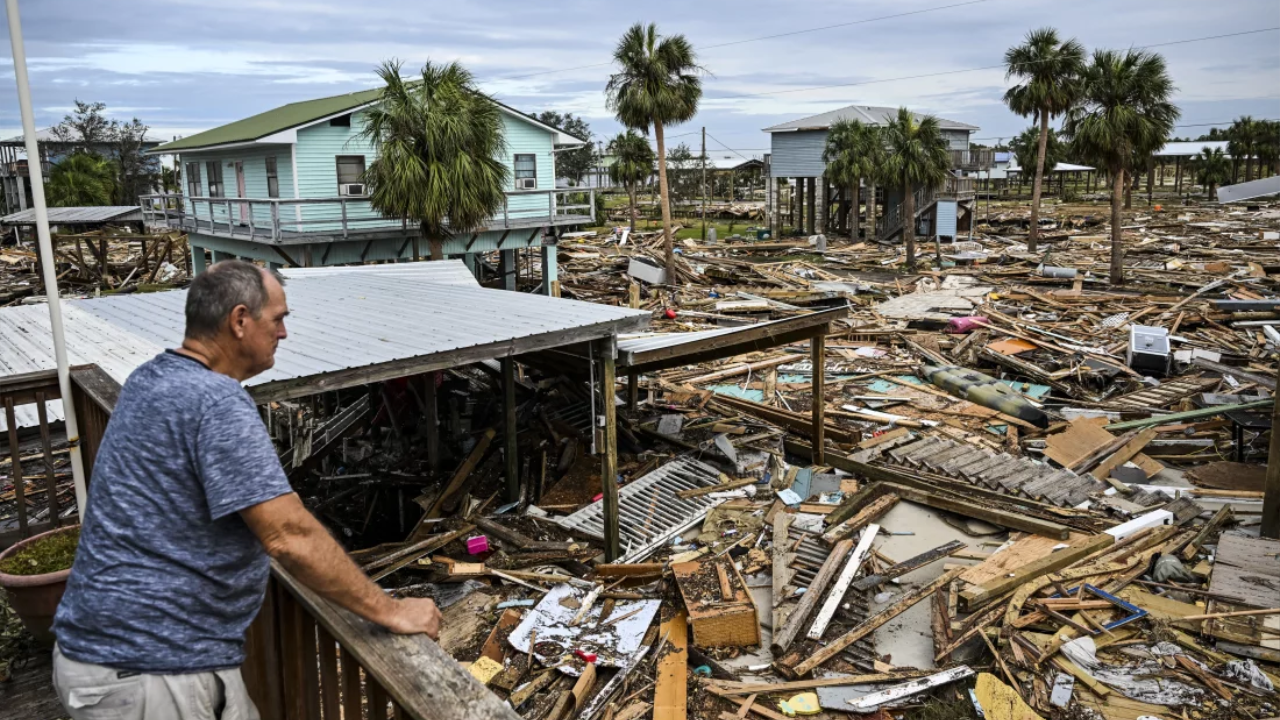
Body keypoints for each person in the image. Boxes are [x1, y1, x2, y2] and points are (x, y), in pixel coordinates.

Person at [52, 260, 441, 719]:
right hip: (150, 668)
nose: (284, 334)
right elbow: (288, 536)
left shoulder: (150, 379)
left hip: (121, 654)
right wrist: (391, 611)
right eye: (278, 319)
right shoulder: (215, 400)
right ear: (239, 321)